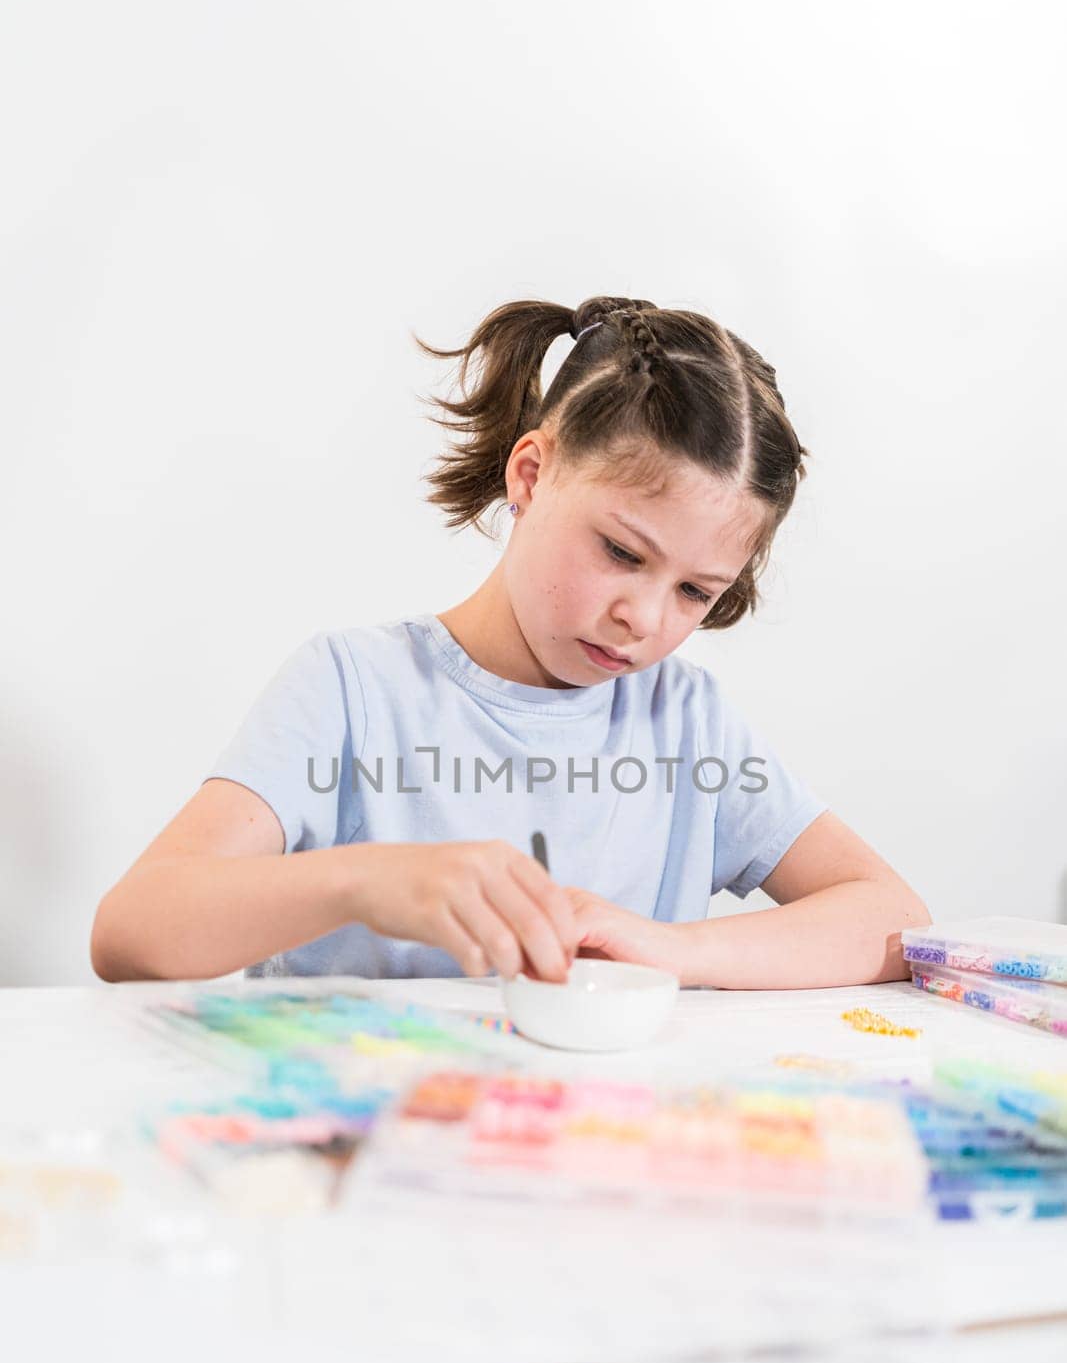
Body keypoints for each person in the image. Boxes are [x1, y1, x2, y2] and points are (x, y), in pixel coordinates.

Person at [91, 295, 930, 989]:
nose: (642, 616)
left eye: (693, 592)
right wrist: (363, 882)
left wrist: (673, 949)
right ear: (530, 473)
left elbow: (892, 919)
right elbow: (132, 933)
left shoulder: (687, 723)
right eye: (621, 553)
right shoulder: (352, 689)